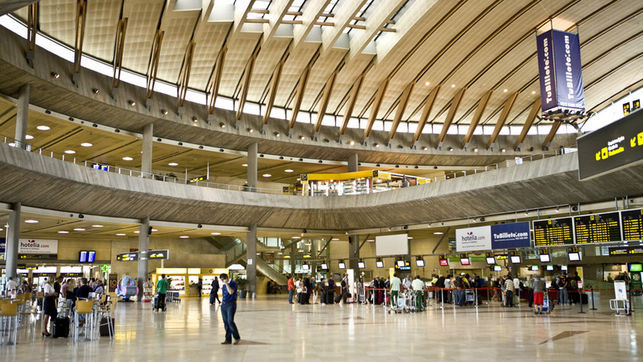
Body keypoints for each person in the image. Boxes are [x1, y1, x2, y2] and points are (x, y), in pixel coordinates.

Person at [219, 273, 240, 345]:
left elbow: (231, 292)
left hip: (231, 304)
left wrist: (226, 284)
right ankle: (228, 339)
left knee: (230, 321)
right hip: (224, 305)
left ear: (227, 278)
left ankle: (237, 338)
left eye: (223, 279)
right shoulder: (223, 284)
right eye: (221, 280)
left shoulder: (233, 283)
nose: (222, 281)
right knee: (226, 323)